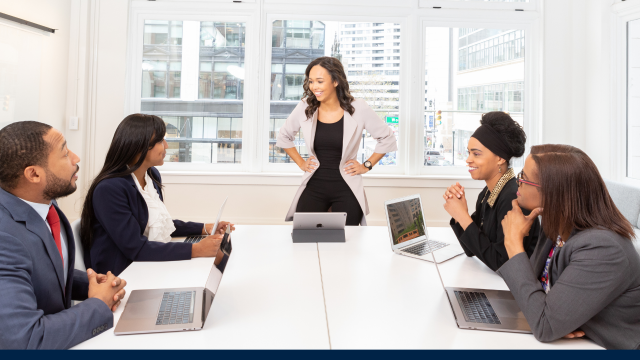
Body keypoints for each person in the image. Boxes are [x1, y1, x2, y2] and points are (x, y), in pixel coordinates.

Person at [499, 144, 640, 349]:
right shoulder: (554, 225)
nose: (517, 182)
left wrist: (513, 243)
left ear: (553, 193)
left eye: (524, 177)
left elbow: (545, 325)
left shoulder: (604, 249)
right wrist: (554, 318)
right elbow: (534, 292)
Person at [0, 121, 126, 349]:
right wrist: (98, 304)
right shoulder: (4, 238)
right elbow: (25, 340)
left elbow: (42, 270)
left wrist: (92, 283)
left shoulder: (44, 202)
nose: (76, 158)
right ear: (34, 174)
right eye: (65, 153)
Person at [81, 114, 234, 276]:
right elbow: (135, 248)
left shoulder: (151, 175)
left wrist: (203, 228)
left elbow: (158, 224)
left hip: (144, 261)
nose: (167, 146)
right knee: (209, 262)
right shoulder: (109, 189)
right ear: (139, 147)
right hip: (122, 273)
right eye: (160, 141)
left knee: (216, 258)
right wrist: (196, 249)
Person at [276, 57, 397, 225]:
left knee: (347, 242)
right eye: (311, 81)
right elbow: (284, 136)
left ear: (335, 81)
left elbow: (387, 138)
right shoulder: (305, 107)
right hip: (314, 185)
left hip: (346, 188)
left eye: (320, 81)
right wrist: (302, 164)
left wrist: (366, 166)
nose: (314, 87)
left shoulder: (358, 108)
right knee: (304, 237)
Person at [443, 112, 540, 271]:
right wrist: (460, 213)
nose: (468, 159)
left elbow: (502, 264)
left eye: (476, 153)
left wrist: (462, 216)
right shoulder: (488, 193)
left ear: (500, 158)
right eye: (468, 153)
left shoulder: (513, 198)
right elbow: (471, 249)